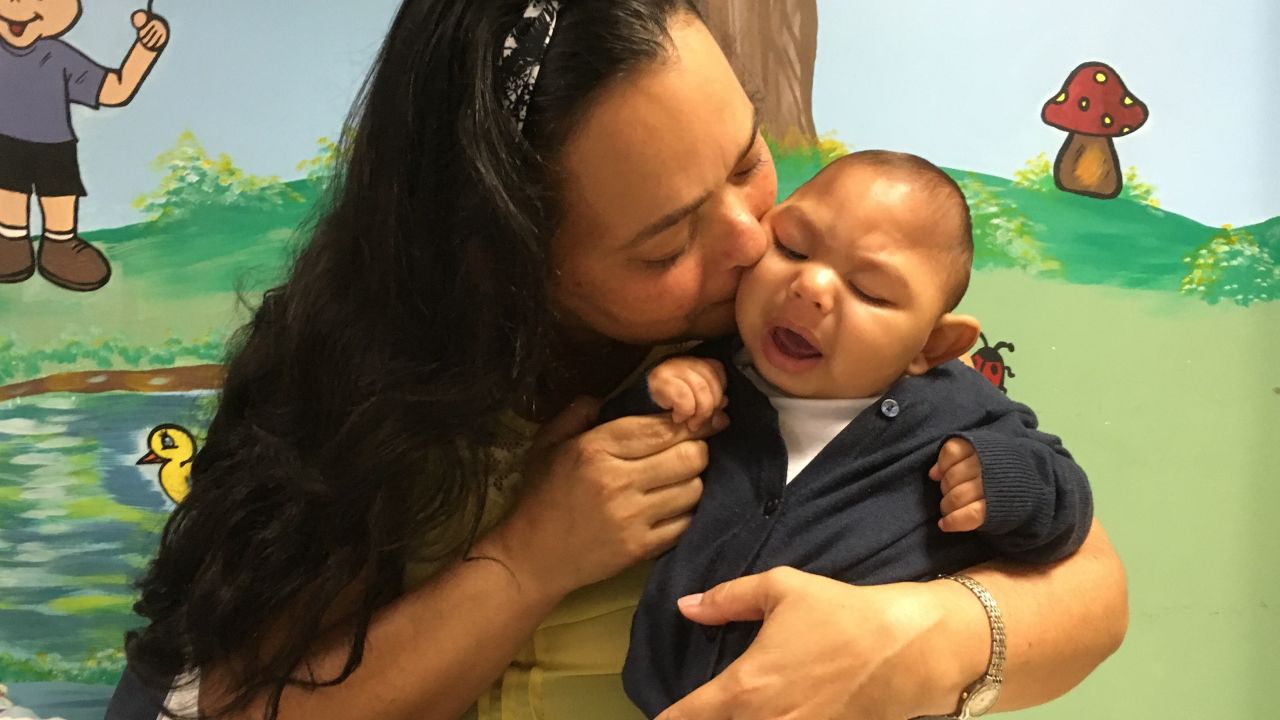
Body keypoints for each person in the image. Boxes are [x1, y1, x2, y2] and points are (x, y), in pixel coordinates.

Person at [109, 2, 1128, 719]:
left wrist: (918, 639)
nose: (751, 246)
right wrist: (527, 561)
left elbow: (1088, 590)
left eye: (745, 161)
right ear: (500, 260)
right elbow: (241, 704)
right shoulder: (352, 386)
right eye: (665, 244)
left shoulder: (814, 344)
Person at [605, 151, 1094, 716]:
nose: (810, 285)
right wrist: (660, 393)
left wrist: (1002, 481)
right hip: (669, 697)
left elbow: (1066, 507)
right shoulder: (717, 372)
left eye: (870, 291)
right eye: (791, 247)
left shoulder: (957, 413)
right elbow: (611, 468)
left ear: (929, 347)